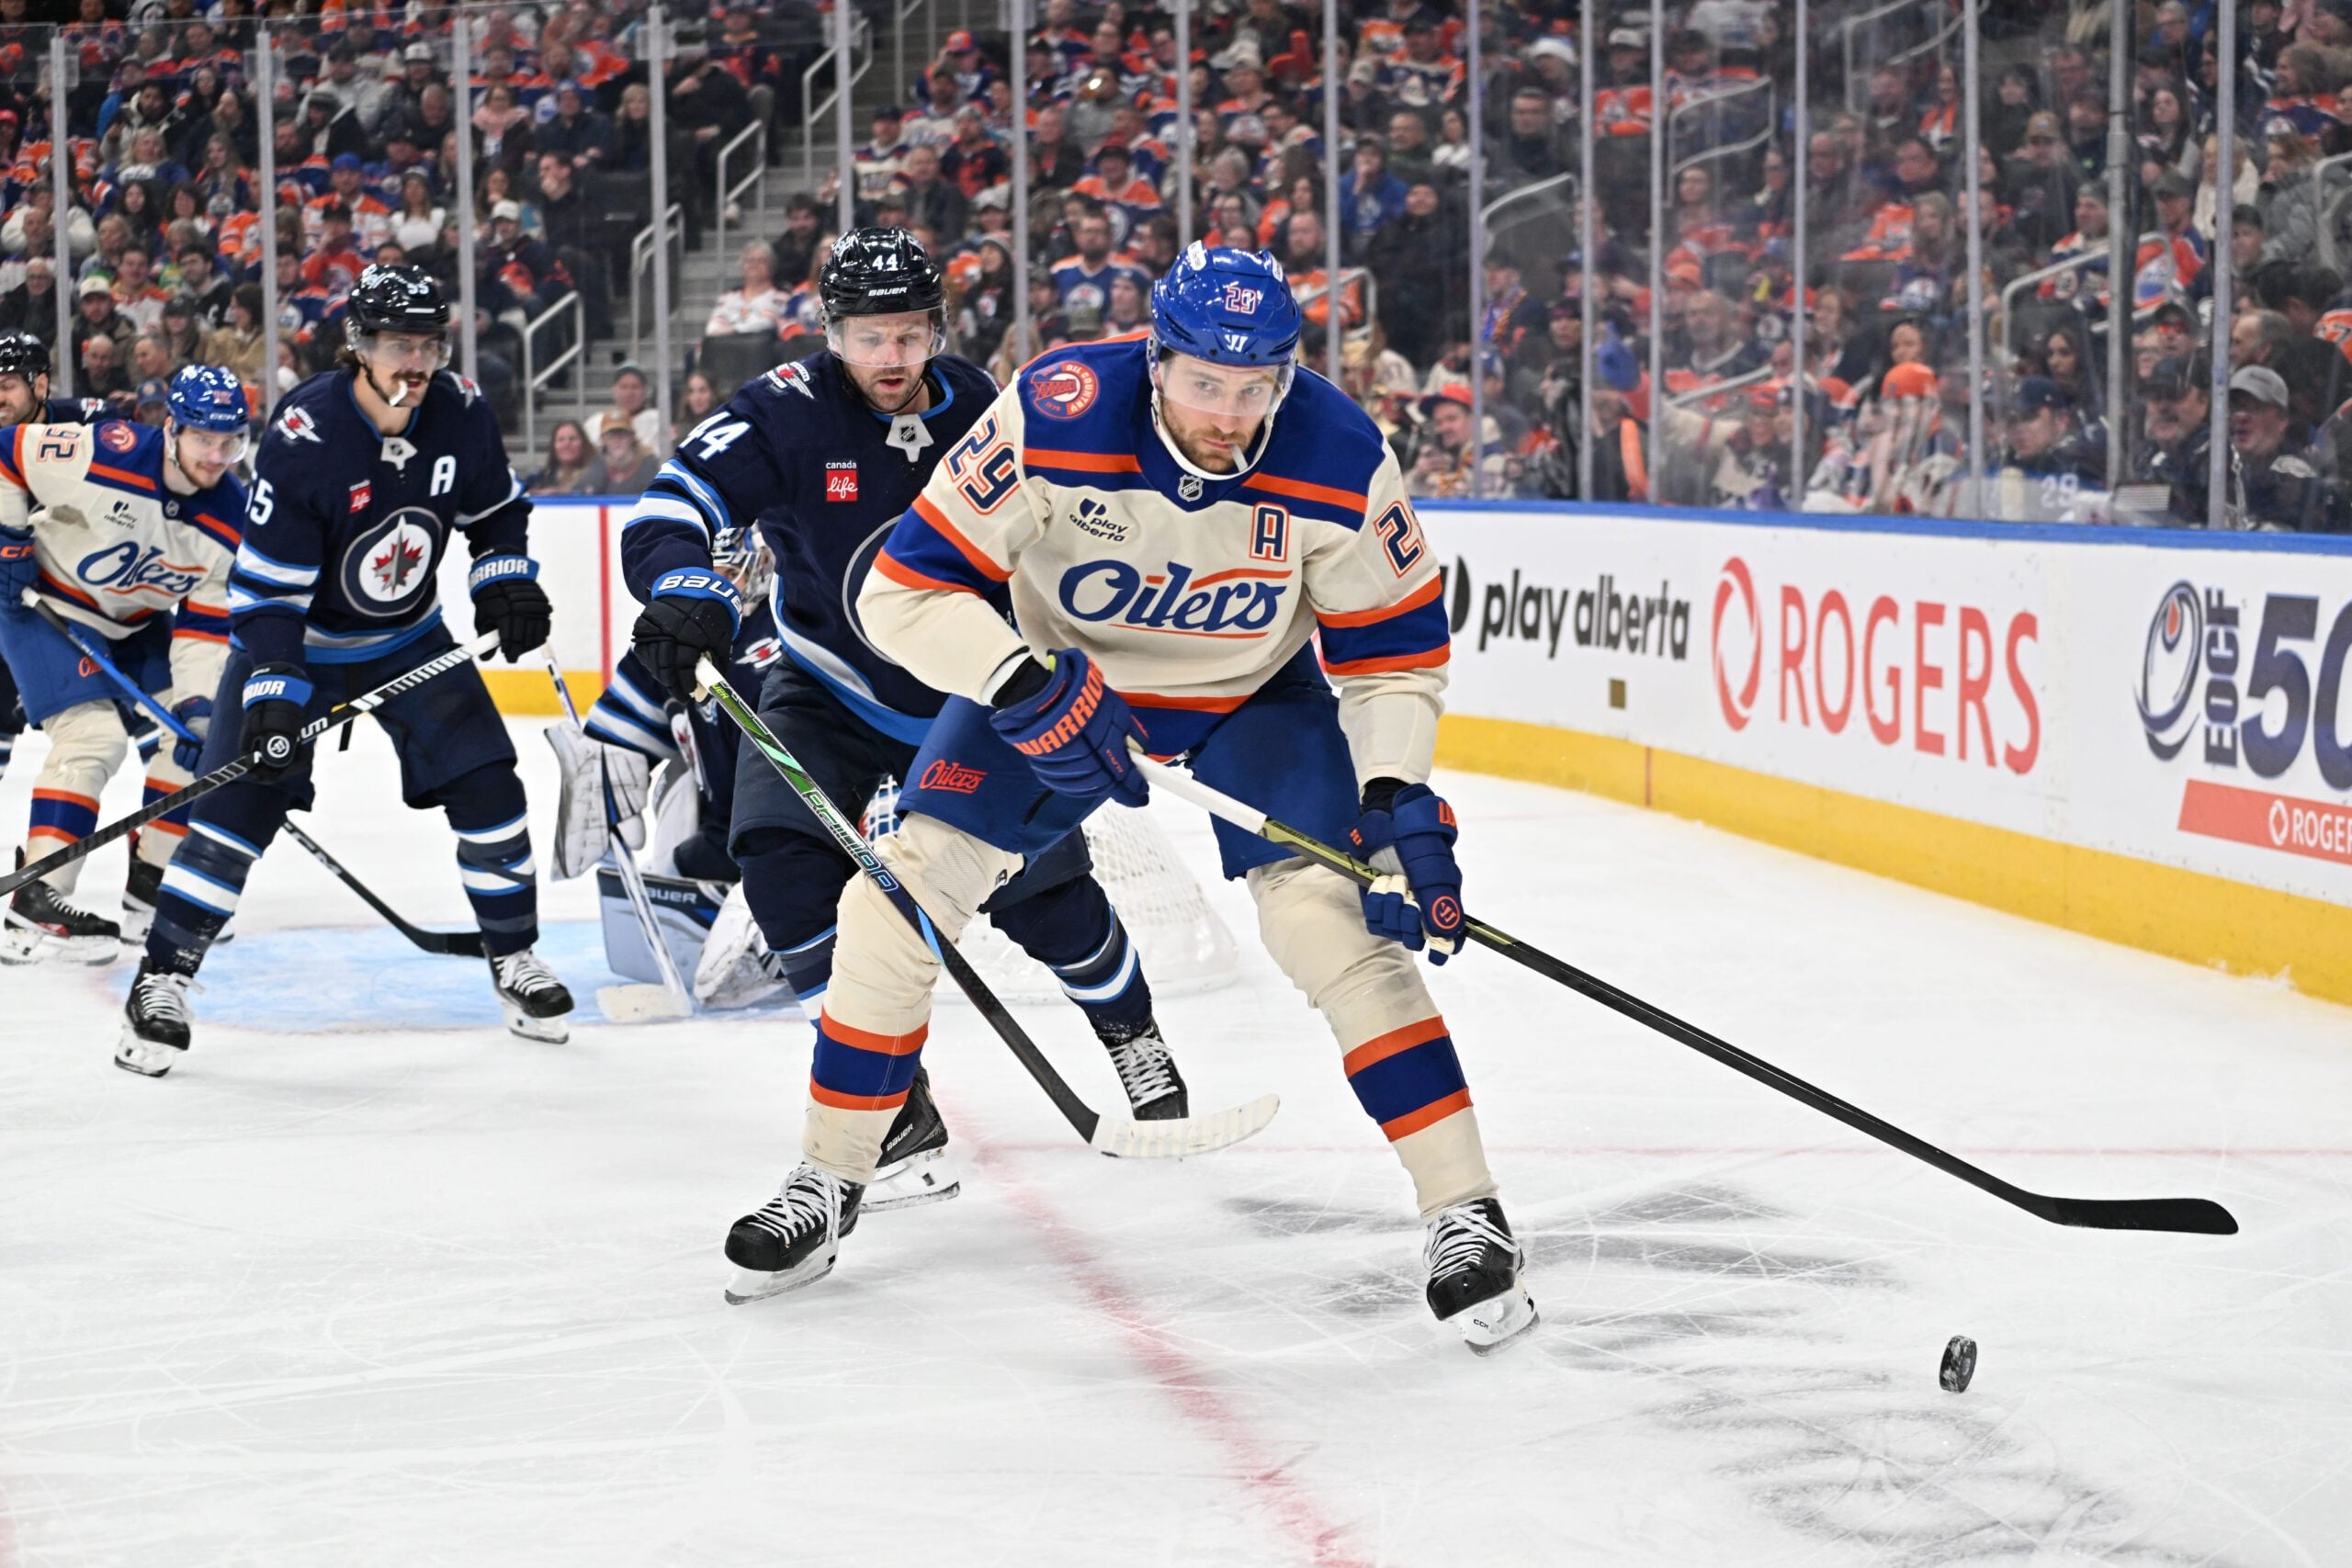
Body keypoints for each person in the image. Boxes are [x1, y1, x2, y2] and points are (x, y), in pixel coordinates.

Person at [690, 243, 1534, 1353]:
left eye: (1254, 389)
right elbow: (903, 591)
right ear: (1156, 359)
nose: (1227, 415)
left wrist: (1393, 798)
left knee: (1335, 927)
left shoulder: (1339, 451)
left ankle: (1465, 1211)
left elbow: (1392, 657)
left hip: (1249, 696)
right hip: (1057, 686)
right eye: (1203, 383)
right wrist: (1017, 682)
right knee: (892, 904)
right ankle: (831, 1175)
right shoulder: (1056, 410)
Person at [618, 229, 1198, 1213]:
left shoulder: (983, 406)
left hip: (971, 693)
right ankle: (892, 1103)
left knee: (1048, 897)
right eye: (867, 336)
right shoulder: (783, 413)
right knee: (780, 864)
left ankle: (1131, 1032)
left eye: (910, 334)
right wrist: (682, 588)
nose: (890, 358)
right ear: (829, 331)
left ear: (938, 328)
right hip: (826, 688)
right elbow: (671, 505)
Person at [120, 266, 571, 1077]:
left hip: (410, 639)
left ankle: (514, 956)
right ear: (359, 345)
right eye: (400, 344)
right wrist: (273, 692)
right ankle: (162, 979)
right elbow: (267, 595)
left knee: (490, 785)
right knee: (231, 815)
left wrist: (503, 576)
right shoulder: (307, 433)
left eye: (429, 345)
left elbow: (496, 510)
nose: (417, 363)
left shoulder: (461, 410)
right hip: (301, 644)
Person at [0, 367, 248, 962]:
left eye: (230, 441)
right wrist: (8, 539)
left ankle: (152, 886)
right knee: (93, 738)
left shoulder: (232, 516)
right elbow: (5, 453)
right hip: (42, 603)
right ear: (173, 429)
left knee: (194, 737)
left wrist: (199, 703)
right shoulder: (107, 451)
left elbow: (204, 626)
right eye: (203, 438)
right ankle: (36, 898)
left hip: (133, 623)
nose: (216, 456)